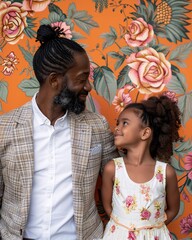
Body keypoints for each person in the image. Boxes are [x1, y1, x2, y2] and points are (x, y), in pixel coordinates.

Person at [0, 24, 119, 240]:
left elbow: (121, 182)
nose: (89, 87)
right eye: (82, 79)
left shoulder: (97, 127)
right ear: (54, 80)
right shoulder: (4, 129)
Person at [100, 95, 181, 239]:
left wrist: (151, 229)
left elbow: (174, 209)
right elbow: (107, 205)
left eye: (125, 123)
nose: (117, 128)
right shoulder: (112, 169)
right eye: (117, 123)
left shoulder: (165, 173)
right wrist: (122, 227)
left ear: (145, 133)